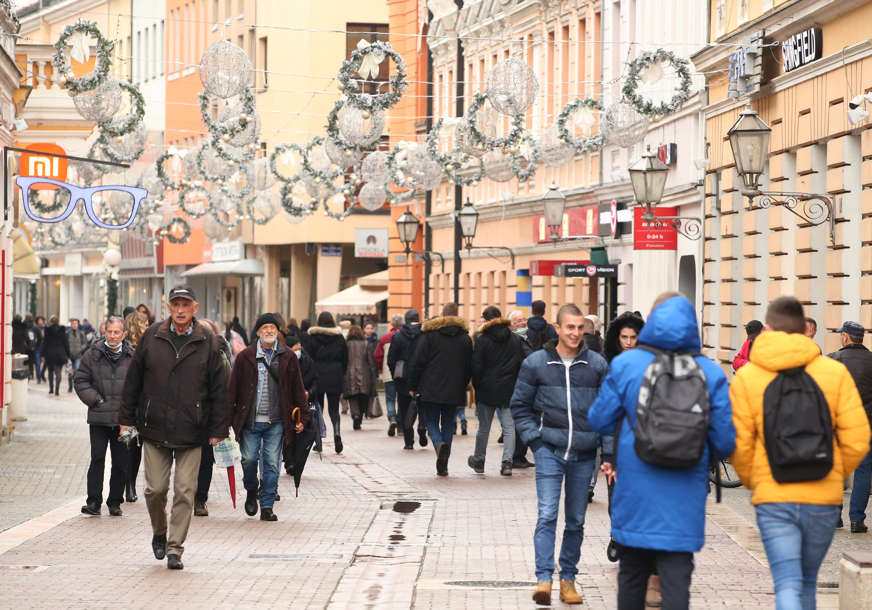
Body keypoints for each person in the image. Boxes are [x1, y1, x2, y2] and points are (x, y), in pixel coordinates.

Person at [588, 292, 735, 610]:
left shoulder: (626, 364)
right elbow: (725, 442)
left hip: (635, 494)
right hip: (684, 496)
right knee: (677, 582)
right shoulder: (709, 372)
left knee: (631, 576)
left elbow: (598, 418)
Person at [731, 296, 870, 608]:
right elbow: (858, 436)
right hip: (822, 498)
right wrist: (833, 473)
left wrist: (754, 479)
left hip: (773, 496)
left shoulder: (750, 376)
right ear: (805, 329)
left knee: (788, 583)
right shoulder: (833, 372)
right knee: (807, 582)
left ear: (768, 328)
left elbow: (738, 442)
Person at [119, 286, 228, 570]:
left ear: (195, 308)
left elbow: (219, 389)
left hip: (193, 431)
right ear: (168, 307)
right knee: (154, 490)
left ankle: (175, 549)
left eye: (186, 305)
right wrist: (126, 420)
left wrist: (219, 428)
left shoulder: (208, 341)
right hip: (154, 428)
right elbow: (133, 382)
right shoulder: (152, 336)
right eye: (176, 304)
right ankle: (159, 531)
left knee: (184, 491)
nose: (180, 310)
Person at [511, 303, 609, 606]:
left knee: (576, 520)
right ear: (557, 328)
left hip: (584, 454)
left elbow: (608, 413)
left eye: (580, 328)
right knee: (547, 513)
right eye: (570, 327)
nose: (576, 333)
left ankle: (568, 578)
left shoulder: (596, 365)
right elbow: (519, 406)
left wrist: (608, 452)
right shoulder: (537, 363)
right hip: (549, 450)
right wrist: (535, 442)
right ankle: (544, 578)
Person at [227, 313, 307, 522]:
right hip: (250, 421)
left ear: (278, 331)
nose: (269, 331)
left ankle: (267, 505)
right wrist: (225, 420)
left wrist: (303, 417)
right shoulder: (245, 357)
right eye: (265, 328)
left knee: (272, 463)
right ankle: (252, 489)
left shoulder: (287, 356)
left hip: (277, 421)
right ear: (258, 332)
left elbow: (297, 388)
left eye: (272, 327)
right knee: (249, 459)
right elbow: (232, 389)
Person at [74, 316, 133, 517]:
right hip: (99, 418)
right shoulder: (93, 355)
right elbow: (81, 380)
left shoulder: (133, 357)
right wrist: (96, 400)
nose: (113, 336)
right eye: (110, 332)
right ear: (104, 332)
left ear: (124, 334)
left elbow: (140, 386)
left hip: (124, 421)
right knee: (97, 459)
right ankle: (93, 502)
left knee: (120, 462)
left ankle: (115, 502)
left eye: (117, 332)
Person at [409, 303, 472, 476]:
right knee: (448, 423)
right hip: (454, 388)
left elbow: (418, 363)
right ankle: (444, 462)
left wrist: (413, 386)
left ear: (442, 315)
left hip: (430, 387)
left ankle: (438, 445)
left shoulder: (429, 336)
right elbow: (469, 367)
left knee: (430, 421)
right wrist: (462, 383)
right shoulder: (465, 338)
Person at [470, 306, 530, 476]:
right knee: (509, 427)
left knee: (484, 427)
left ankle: (479, 460)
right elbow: (521, 363)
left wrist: (478, 385)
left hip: (487, 389)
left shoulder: (482, 340)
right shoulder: (515, 339)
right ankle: (507, 462)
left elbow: (476, 366)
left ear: (487, 320)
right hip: (509, 388)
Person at [826, 321, 872, 533]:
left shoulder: (832, 360)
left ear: (845, 337)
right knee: (863, 471)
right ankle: (856, 520)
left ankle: (835, 517)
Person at [193, 319, 232, 517]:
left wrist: (223, 420)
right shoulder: (186, 353)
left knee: (206, 460)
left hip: (208, 416)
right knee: (187, 458)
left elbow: (226, 389)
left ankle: (200, 499)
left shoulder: (220, 357)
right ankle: (188, 494)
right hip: (187, 415)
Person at [307, 311, 348, 454]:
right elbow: (345, 358)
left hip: (318, 375)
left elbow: (308, 358)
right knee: (334, 409)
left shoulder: (312, 337)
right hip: (335, 375)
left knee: (318, 409)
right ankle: (337, 432)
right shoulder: (339, 337)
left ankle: (318, 441)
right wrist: (341, 373)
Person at [123, 311, 151, 503]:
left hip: (143, 405)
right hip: (127, 404)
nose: (149, 325)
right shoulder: (125, 349)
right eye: (146, 323)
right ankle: (125, 484)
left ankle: (131, 483)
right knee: (126, 447)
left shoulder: (148, 346)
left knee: (136, 447)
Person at [389, 309, 427, 450]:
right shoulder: (425, 334)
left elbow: (391, 359)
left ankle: (409, 441)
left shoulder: (398, 335)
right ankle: (422, 427)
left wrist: (396, 373)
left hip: (403, 378)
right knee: (423, 405)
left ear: (406, 319)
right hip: (422, 376)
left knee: (404, 408)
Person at [374, 313, 403, 436]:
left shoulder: (385, 338)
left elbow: (377, 356)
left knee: (390, 398)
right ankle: (401, 422)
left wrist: (380, 368)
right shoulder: (405, 336)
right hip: (403, 372)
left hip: (388, 372)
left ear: (392, 323)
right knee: (402, 399)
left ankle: (392, 419)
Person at [344, 324, 377, 430]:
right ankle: (360, 415)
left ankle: (355, 415)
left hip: (349, 374)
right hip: (365, 375)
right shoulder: (366, 344)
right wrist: (374, 375)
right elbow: (371, 362)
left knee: (353, 398)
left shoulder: (346, 344)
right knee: (363, 397)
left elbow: (343, 361)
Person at [42, 316, 69, 396]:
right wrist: (68, 354)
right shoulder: (62, 330)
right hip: (60, 354)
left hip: (50, 354)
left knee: (50, 372)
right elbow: (66, 343)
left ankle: (51, 389)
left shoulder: (48, 330)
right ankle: (57, 389)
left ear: (51, 321)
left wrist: (42, 354)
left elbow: (45, 343)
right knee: (58, 372)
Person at [66, 318, 87, 393]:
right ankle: (70, 387)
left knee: (77, 370)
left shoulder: (81, 333)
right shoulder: (67, 333)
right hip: (69, 356)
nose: (74, 325)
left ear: (78, 325)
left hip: (78, 355)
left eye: (76, 323)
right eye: (73, 323)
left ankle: (76, 385)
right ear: (71, 325)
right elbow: (65, 344)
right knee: (70, 371)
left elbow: (85, 343)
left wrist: (80, 349)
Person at [32, 315, 46, 383]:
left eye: (41, 320)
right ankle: (38, 377)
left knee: (45, 364)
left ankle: (42, 374)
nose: (40, 321)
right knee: (38, 363)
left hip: (45, 347)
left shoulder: (45, 328)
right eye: (39, 320)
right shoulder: (35, 328)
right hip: (38, 347)